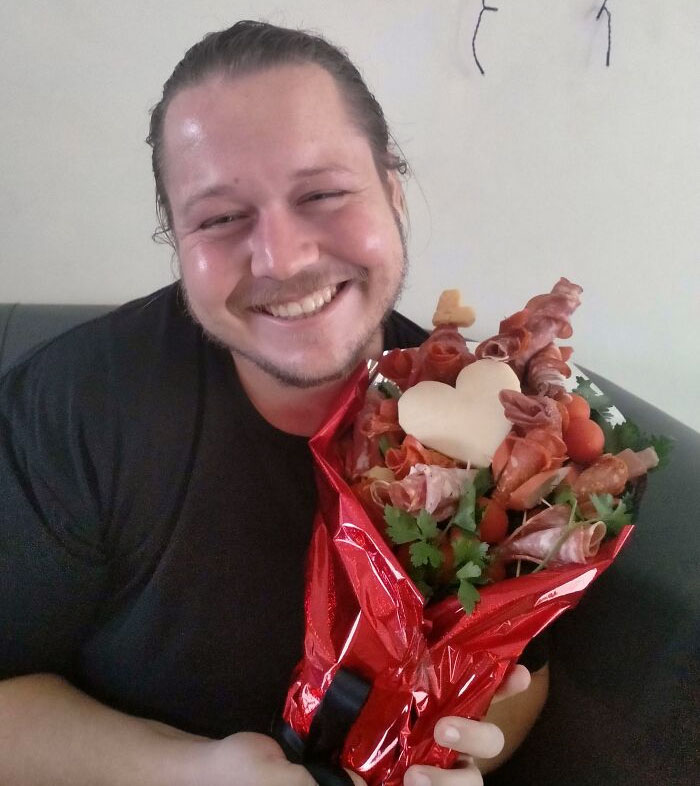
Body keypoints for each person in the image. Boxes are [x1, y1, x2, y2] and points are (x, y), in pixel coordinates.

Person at [0, 21, 548, 786]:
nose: (283, 258)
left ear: (393, 194)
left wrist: (451, 754)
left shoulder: (499, 428)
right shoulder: (74, 406)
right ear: (177, 240)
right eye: (221, 218)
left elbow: (529, 678)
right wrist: (199, 774)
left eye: (323, 193)